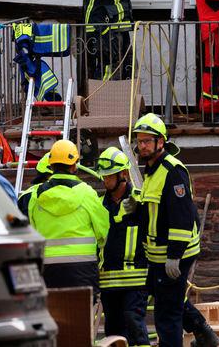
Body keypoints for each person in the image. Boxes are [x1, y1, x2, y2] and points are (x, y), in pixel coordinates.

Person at [132, 114, 219, 347]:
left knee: (166, 312)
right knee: (169, 297)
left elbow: (181, 216)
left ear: (161, 142)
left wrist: (174, 256)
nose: (141, 145)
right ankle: (203, 331)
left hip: (174, 254)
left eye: (146, 141)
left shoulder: (173, 171)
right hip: (158, 254)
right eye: (139, 141)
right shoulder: (151, 169)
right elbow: (154, 210)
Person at [26, 139, 110, 290]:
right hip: (83, 269)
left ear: (51, 165)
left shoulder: (35, 196)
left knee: (54, 312)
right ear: (74, 166)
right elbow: (103, 231)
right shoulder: (87, 193)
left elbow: (31, 231)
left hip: (48, 269)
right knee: (82, 312)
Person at [97, 147, 151, 347]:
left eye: (109, 176)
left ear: (124, 174)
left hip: (135, 277)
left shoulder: (139, 199)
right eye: (104, 177)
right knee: (114, 331)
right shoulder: (99, 204)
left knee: (134, 321)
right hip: (109, 281)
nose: (105, 181)